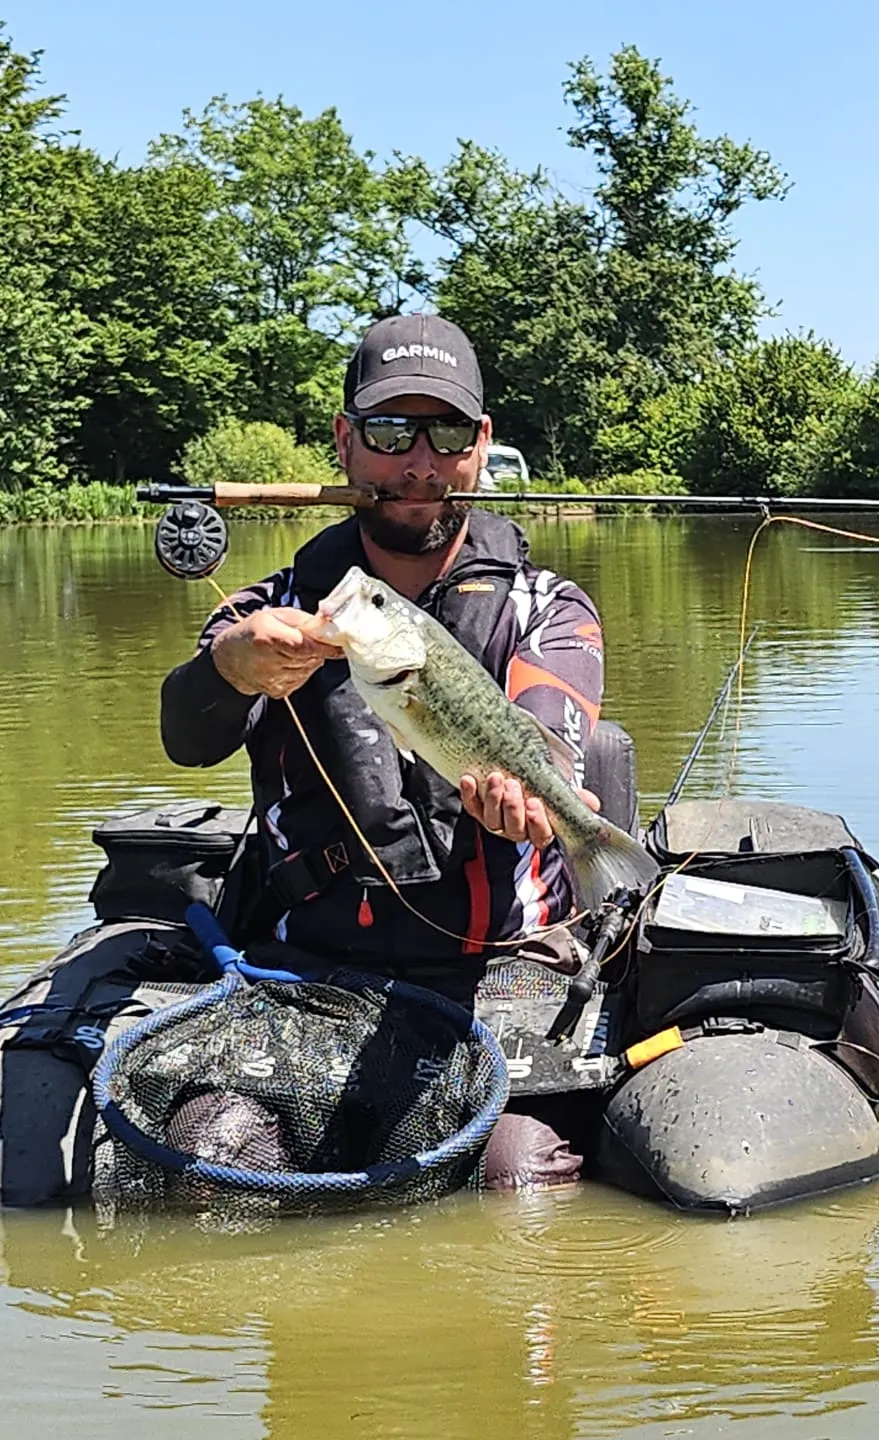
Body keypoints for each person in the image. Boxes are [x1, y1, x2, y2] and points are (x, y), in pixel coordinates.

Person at [160, 314, 607, 997]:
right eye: (390, 434)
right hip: (308, 966)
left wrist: (543, 802)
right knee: (214, 1114)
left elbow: (548, 736)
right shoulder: (270, 612)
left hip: (513, 961)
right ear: (346, 442)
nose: (421, 465)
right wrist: (230, 666)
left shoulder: (549, 607)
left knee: (521, 1113)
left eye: (449, 434)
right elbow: (184, 736)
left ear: (481, 445)